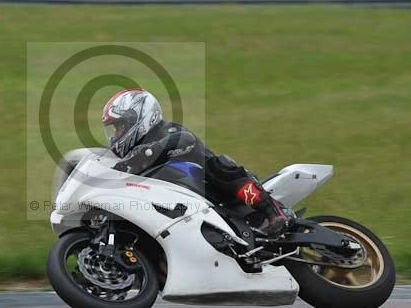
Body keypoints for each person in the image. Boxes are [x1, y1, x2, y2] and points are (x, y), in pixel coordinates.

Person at [102, 88, 294, 237]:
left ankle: (274, 211)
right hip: (179, 211)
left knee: (218, 165)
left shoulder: (167, 131)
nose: (116, 135)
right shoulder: (132, 155)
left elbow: (183, 141)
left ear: (139, 118)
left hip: (216, 191)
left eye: (119, 127)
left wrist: (142, 155)